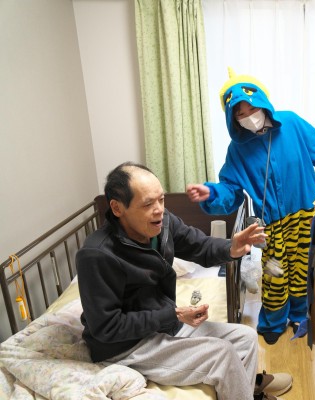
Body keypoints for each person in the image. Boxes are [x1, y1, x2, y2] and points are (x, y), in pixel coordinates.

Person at [187, 69, 315, 344]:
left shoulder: (291, 123)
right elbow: (231, 191)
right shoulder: (237, 150)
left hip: (305, 215)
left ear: (262, 102)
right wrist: (211, 193)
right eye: (240, 114)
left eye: (252, 108)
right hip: (272, 226)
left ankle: (300, 314)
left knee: (303, 268)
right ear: (232, 119)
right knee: (274, 273)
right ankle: (274, 320)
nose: (249, 116)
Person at [76, 162, 293, 400]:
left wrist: (231, 247)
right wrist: (173, 314)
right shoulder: (97, 255)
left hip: (163, 325)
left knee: (246, 337)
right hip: (127, 346)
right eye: (148, 204)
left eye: (161, 200)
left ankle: (245, 391)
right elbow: (107, 327)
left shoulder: (163, 223)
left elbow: (198, 245)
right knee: (222, 354)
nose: (159, 210)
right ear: (117, 208)